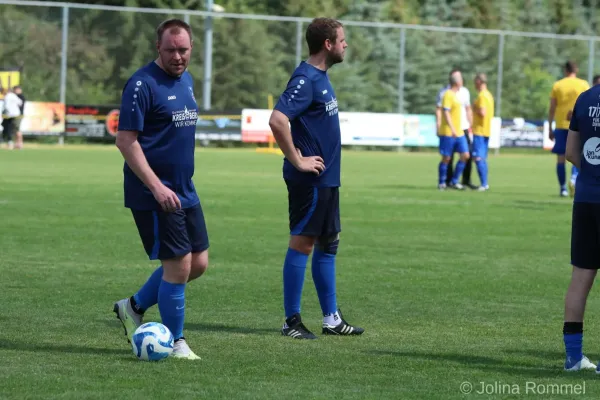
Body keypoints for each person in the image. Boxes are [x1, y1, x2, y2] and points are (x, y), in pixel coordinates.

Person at [112, 18, 208, 360]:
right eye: (171, 50)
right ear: (158, 48)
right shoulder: (141, 84)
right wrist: (155, 186)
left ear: (191, 48)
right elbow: (126, 140)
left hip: (185, 188)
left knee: (198, 263)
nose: (178, 56)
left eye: (183, 50)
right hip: (154, 192)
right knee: (179, 264)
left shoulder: (187, 81)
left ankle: (133, 306)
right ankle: (177, 341)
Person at [268, 17, 364, 339]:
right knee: (302, 243)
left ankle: (331, 319)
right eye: (342, 39)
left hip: (327, 181)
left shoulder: (321, 77)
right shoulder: (305, 79)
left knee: (329, 243)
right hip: (309, 181)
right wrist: (297, 159)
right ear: (328, 44)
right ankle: (291, 322)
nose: (345, 44)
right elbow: (278, 120)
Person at [561, 83, 600, 372]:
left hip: (585, 198)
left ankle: (574, 358)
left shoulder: (584, 98)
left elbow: (572, 153)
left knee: (580, 278)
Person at [548, 61, 589, 197]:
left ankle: (563, 188)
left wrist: (549, 127)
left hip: (561, 125)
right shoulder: (583, 84)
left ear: (565, 70)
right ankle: (573, 179)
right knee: (576, 154)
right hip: (578, 126)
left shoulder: (558, 85)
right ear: (576, 70)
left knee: (561, 158)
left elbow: (552, 108)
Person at [436, 69, 474, 188]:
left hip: (460, 130)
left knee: (466, 155)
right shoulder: (447, 94)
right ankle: (442, 182)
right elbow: (445, 112)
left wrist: (470, 124)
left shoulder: (462, 93)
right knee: (447, 157)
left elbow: (467, 109)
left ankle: (454, 180)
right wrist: (451, 128)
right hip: (449, 131)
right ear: (457, 82)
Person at [471, 73, 494, 191]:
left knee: (478, 158)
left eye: (475, 81)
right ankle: (485, 183)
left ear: (479, 82)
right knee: (482, 158)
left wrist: (474, 108)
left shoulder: (482, 96)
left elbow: (482, 112)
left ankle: (484, 184)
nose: (474, 84)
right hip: (486, 130)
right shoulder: (489, 95)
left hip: (479, 130)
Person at [14, 86, 25, 150]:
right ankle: (17, 144)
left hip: (19, 115)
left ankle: (20, 144)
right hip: (16, 115)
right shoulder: (16, 97)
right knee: (16, 130)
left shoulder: (20, 97)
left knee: (18, 129)